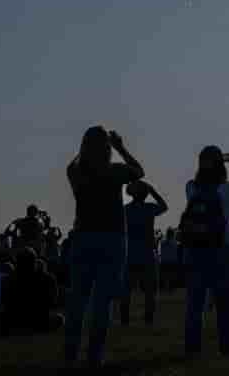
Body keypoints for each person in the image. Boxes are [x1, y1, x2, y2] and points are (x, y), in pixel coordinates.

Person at [63, 127, 145, 368]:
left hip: (82, 236)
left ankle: (70, 355)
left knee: (77, 300)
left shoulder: (75, 171)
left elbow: (74, 162)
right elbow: (139, 171)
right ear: (107, 148)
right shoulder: (115, 171)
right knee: (102, 301)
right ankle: (94, 356)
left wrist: (84, 149)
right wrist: (120, 147)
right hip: (112, 237)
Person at [182, 146, 229, 358]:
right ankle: (227, 348)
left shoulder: (191, 187)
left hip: (196, 249)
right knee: (225, 303)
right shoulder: (228, 188)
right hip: (222, 249)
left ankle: (192, 348)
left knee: (194, 303)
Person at [121, 180, 168, 325]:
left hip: (130, 254)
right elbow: (164, 206)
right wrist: (153, 190)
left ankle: (124, 319)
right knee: (149, 290)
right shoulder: (149, 208)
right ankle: (148, 318)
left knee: (126, 290)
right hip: (147, 253)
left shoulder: (125, 210)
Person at [0, 248, 62, 335]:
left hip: (14, 319)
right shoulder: (48, 278)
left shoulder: (8, 279)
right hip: (39, 319)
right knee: (59, 318)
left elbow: (4, 301)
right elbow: (53, 301)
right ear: (34, 261)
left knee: (1, 317)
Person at [159, 227, 181, 292]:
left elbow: (160, 252)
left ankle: (167, 289)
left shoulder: (162, 242)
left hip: (164, 262)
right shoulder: (175, 243)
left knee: (166, 277)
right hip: (172, 262)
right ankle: (170, 289)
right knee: (172, 277)